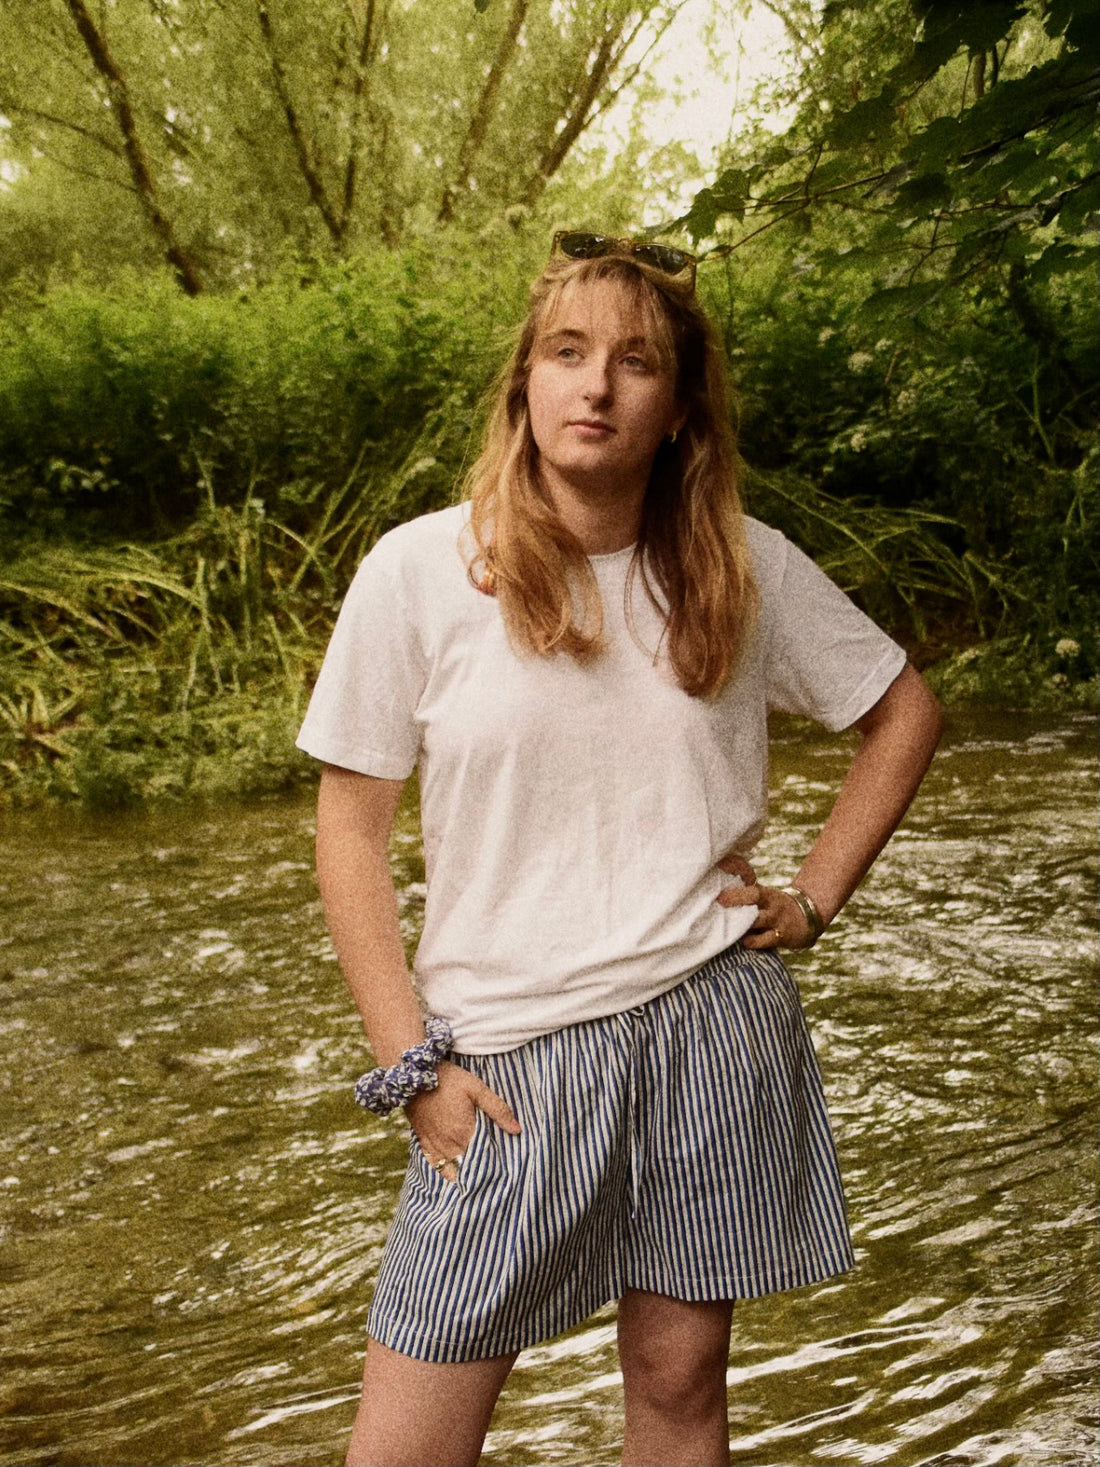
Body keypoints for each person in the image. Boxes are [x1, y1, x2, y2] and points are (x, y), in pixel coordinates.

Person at [296, 230, 943, 1467]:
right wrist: (407, 1062)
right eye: (566, 353)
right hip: (502, 1064)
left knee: (678, 1381)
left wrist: (812, 896)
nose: (594, 387)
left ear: (680, 405)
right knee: (409, 1441)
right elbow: (348, 830)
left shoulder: (740, 566)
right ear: (524, 383)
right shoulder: (419, 573)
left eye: (634, 362)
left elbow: (901, 709)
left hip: (710, 1020)